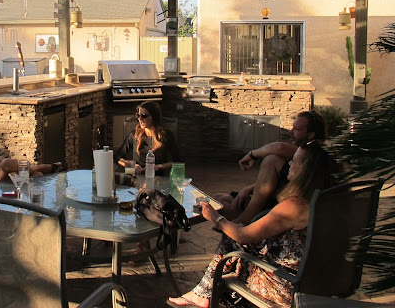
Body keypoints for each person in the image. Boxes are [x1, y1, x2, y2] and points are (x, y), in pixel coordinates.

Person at [167, 140, 336, 307]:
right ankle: (206, 293)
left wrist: (215, 217)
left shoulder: (295, 206)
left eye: (294, 161)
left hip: (286, 287)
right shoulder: (324, 201)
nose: (289, 163)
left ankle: (202, 294)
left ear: (306, 171)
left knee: (231, 238)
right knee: (238, 243)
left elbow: (242, 236)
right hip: (313, 283)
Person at [213, 110, 327, 225]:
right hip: (272, 199)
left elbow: (279, 147)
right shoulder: (308, 153)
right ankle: (242, 223)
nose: (291, 131)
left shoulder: (312, 154)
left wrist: (252, 155)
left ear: (311, 135)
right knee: (218, 198)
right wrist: (248, 189)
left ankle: (244, 222)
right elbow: (275, 178)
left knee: (272, 160)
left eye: (296, 129)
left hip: (279, 206)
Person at [115, 101, 181, 175]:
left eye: (144, 116)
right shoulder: (134, 136)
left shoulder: (165, 136)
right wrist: (131, 165)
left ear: (154, 117)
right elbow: (117, 157)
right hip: (137, 176)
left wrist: (158, 167)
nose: (140, 119)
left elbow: (178, 162)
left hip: (158, 177)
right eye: (138, 115)